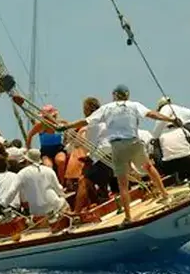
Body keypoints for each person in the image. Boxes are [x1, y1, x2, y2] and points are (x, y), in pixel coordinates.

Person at [64, 84, 178, 225]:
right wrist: (171, 120)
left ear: (114, 95)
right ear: (127, 95)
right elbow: (152, 114)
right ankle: (165, 195)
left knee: (122, 184)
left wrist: (66, 127)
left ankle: (128, 217)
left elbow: (85, 121)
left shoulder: (106, 108)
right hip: (134, 142)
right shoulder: (134, 105)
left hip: (117, 146)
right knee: (148, 167)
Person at [25, 104, 68, 185]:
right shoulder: (40, 125)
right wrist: (28, 149)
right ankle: (53, 185)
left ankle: (62, 183)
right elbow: (30, 135)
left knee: (61, 161)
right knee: (48, 167)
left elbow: (69, 131)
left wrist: (65, 140)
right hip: (46, 151)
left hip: (58, 149)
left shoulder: (61, 123)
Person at [17, 149, 66, 216]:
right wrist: (62, 194)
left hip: (36, 211)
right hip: (54, 205)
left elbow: (23, 199)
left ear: (27, 160)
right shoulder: (49, 170)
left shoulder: (21, 174)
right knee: (64, 201)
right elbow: (59, 189)